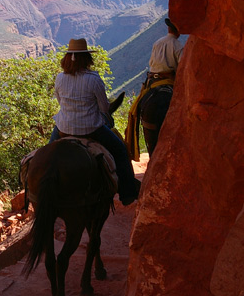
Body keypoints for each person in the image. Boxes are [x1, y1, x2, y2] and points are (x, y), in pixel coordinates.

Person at [52, 38, 141, 206]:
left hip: (63, 128)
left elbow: (60, 101)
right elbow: (104, 107)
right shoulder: (94, 79)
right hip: (91, 129)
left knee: (47, 152)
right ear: (87, 58)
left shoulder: (59, 78)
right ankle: (127, 193)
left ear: (67, 57)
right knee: (120, 150)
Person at [125, 17, 183, 159]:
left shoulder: (158, 43)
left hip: (152, 81)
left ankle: (132, 145)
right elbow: (182, 68)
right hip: (168, 81)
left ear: (169, 28)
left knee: (137, 107)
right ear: (178, 31)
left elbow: (152, 62)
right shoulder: (178, 46)